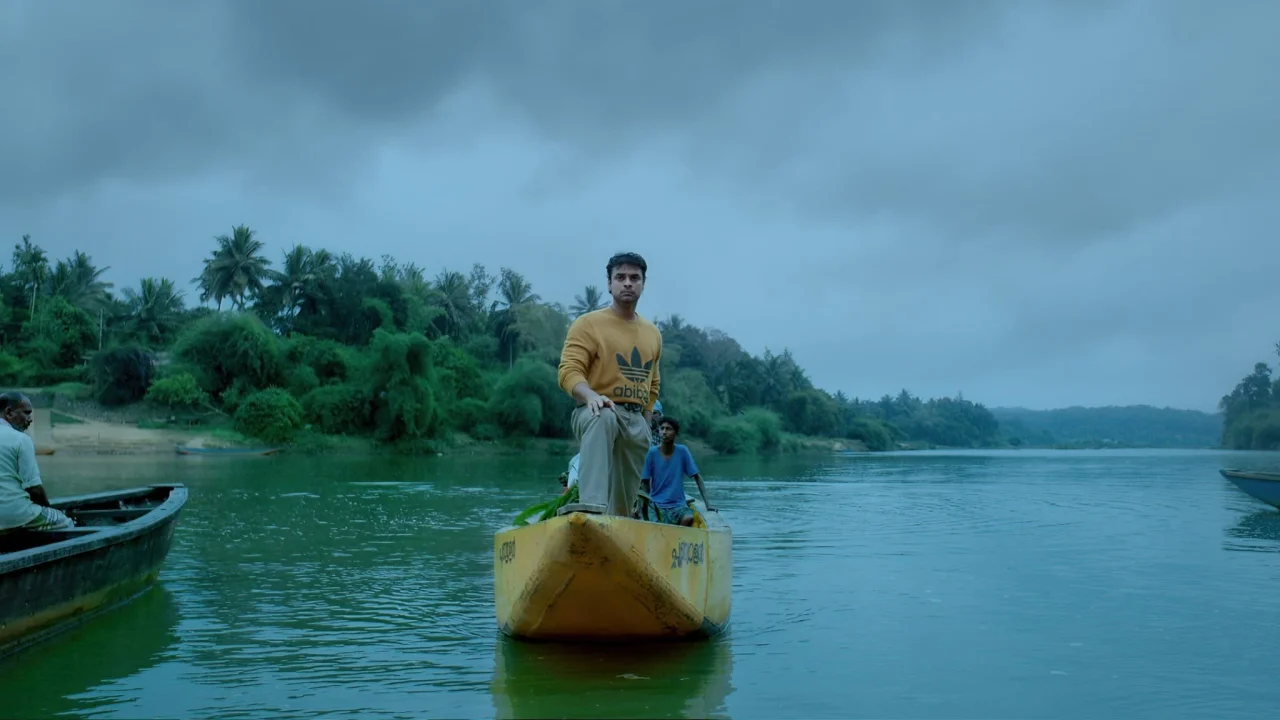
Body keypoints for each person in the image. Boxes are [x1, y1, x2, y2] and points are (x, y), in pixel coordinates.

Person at [556, 252, 662, 517]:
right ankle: (591, 510)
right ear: (609, 283)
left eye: (634, 278)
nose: (627, 283)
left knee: (622, 508)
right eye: (620, 277)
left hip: (636, 420)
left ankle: (617, 525)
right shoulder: (588, 324)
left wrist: (646, 421)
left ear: (643, 284)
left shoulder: (652, 333)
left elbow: (653, 383)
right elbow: (569, 371)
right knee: (604, 415)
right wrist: (590, 395)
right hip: (594, 411)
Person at [0, 391, 75, 532]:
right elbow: (34, 489)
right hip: (16, 515)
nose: (30, 419)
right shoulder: (21, 439)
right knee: (67, 523)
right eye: (26, 413)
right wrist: (48, 509)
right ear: (9, 413)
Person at [642, 416, 715, 526]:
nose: (664, 432)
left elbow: (697, 477)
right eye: (662, 428)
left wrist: (708, 504)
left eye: (668, 429)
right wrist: (645, 505)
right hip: (657, 505)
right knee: (654, 524)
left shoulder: (682, 451)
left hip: (678, 505)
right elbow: (645, 483)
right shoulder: (652, 453)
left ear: (675, 433)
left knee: (689, 518)